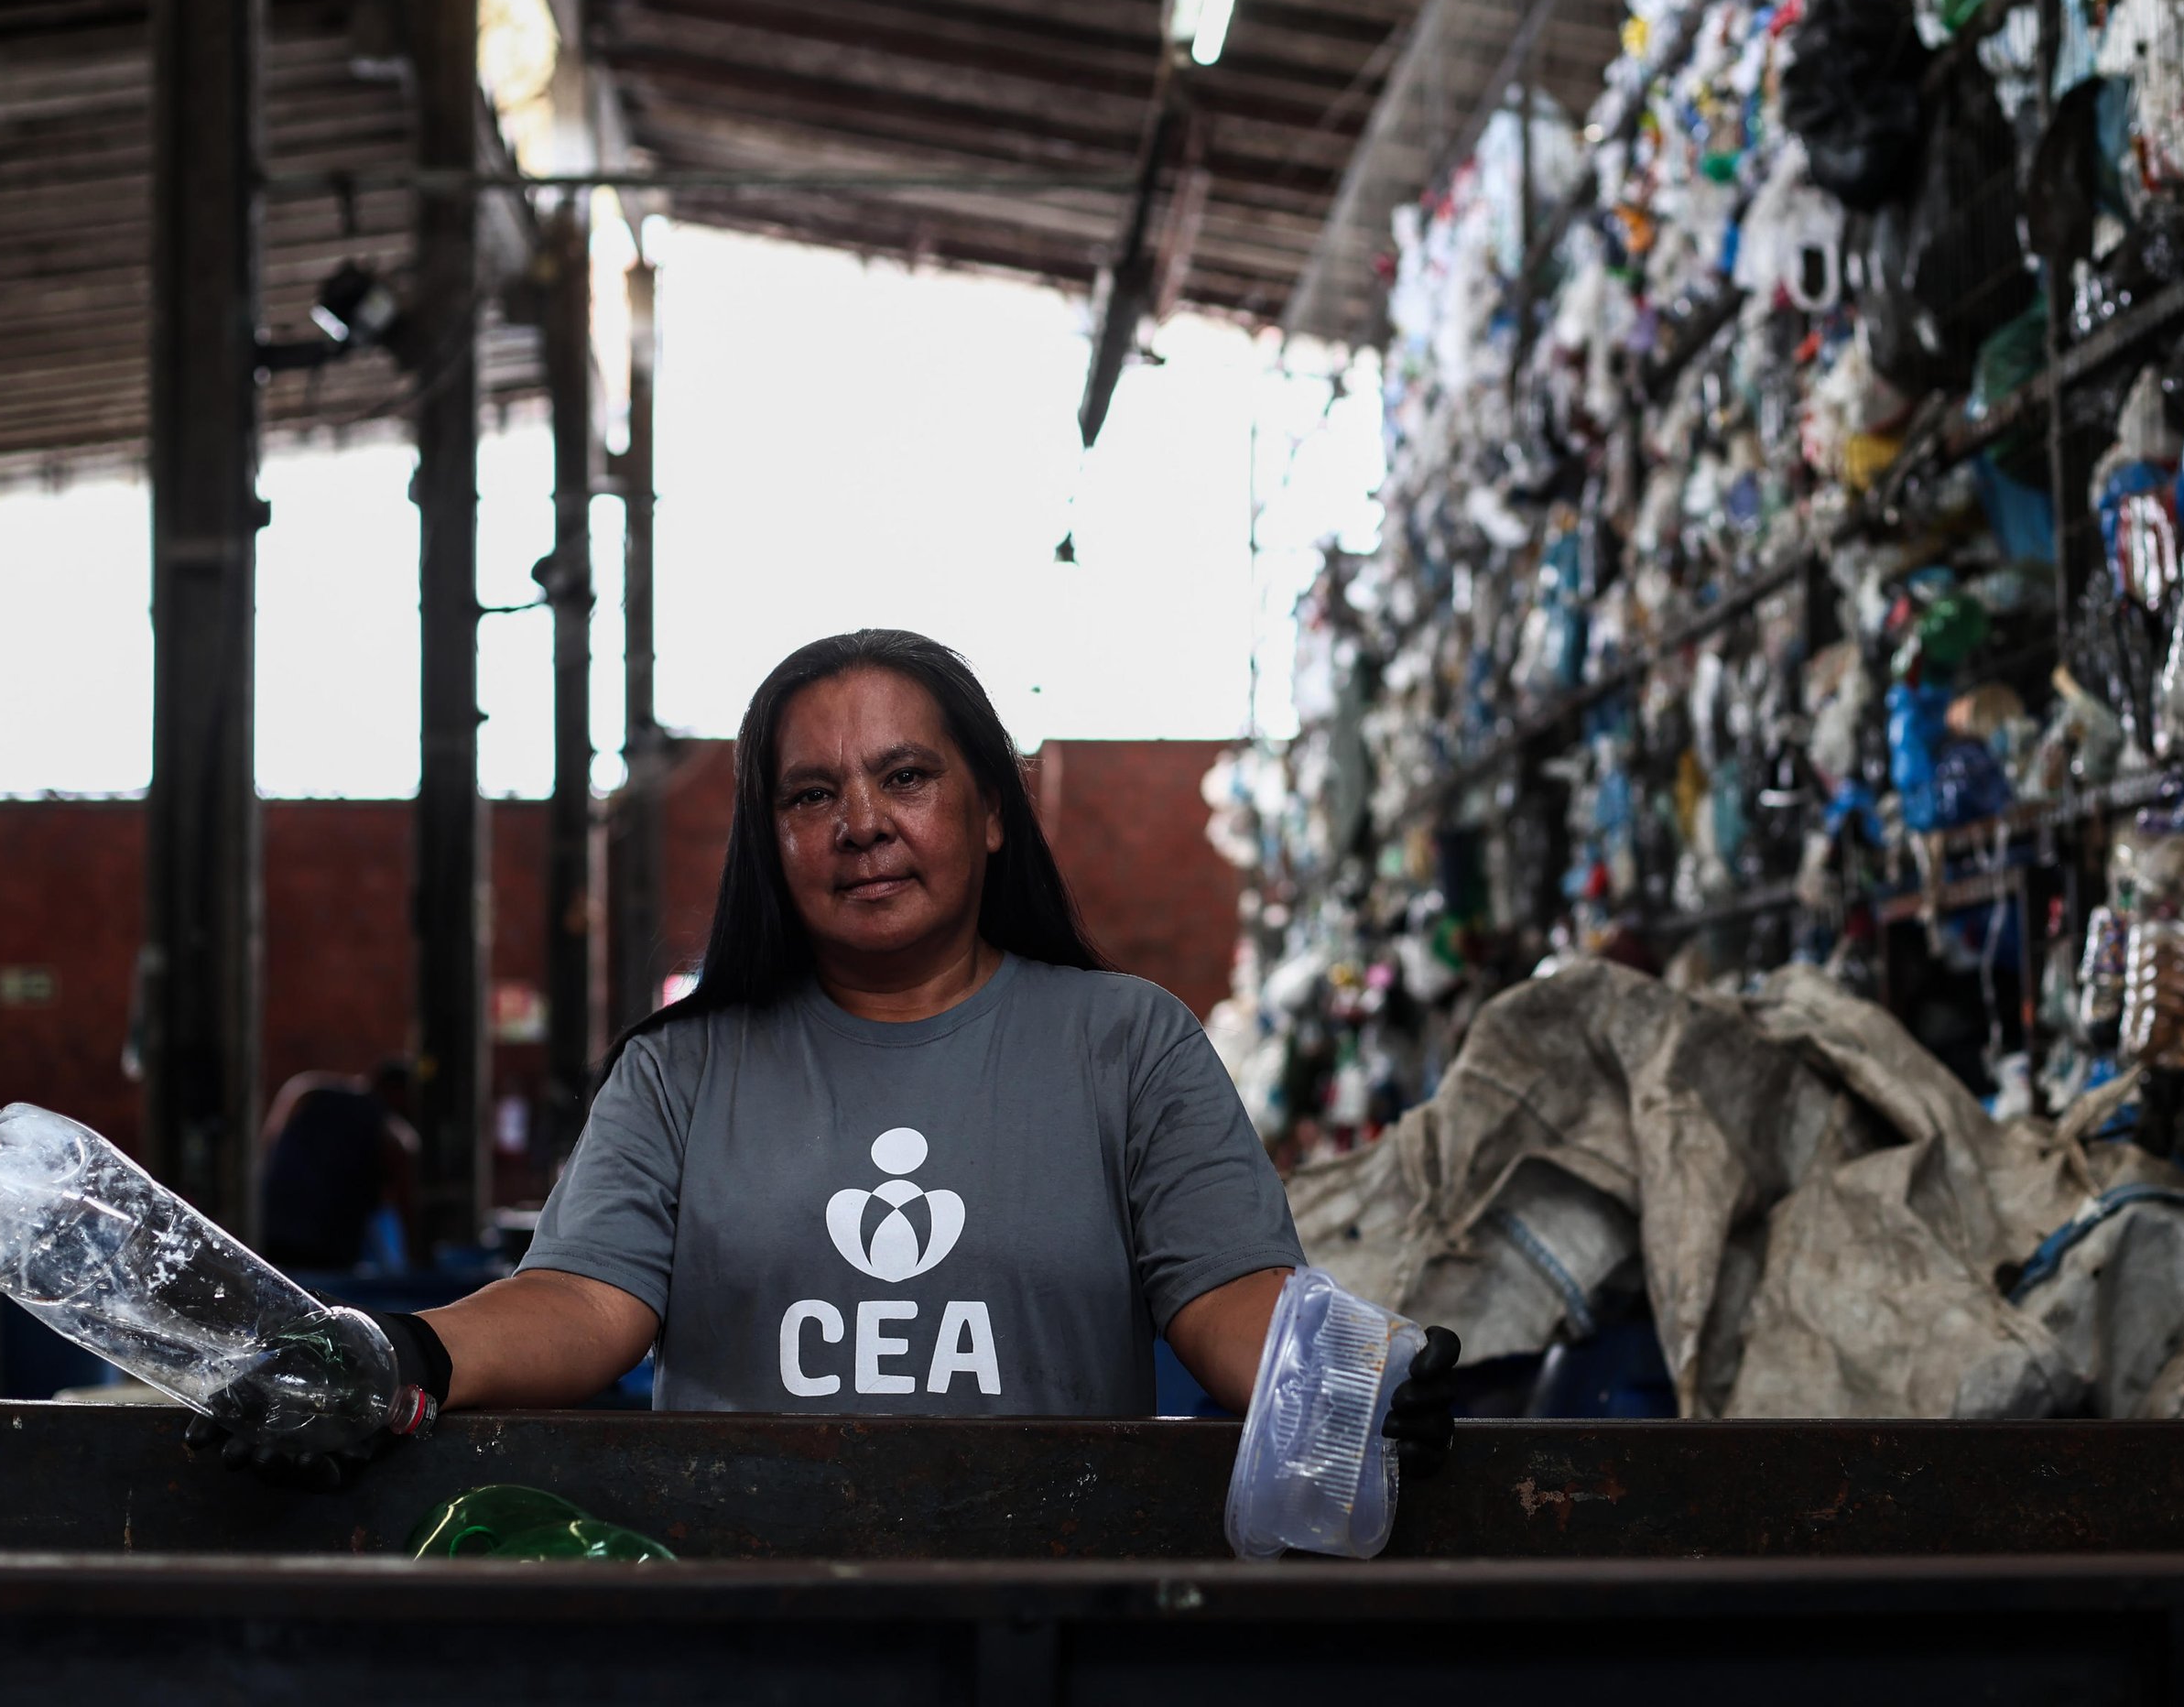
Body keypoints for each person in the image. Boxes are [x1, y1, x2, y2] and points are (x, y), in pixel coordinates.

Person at [194, 629, 1455, 1484]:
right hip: (757, 1613)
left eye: (905, 776)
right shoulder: (680, 1072)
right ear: (770, 837)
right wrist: (406, 1353)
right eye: (809, 795)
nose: (860, 824)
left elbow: (1226, 1299)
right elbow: (584, 1301)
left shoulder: (1124, 1043)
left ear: (992, 812)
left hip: (1055, 1596)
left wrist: (1355, 1374)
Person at [258, 1059, 420, 1271]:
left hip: (274, 1232)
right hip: (327, 1249)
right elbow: (405, 1199)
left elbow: (270, 1143)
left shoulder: (307, 1091)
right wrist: (418, 1258)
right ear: (396, 1091)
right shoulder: (390, 1132)